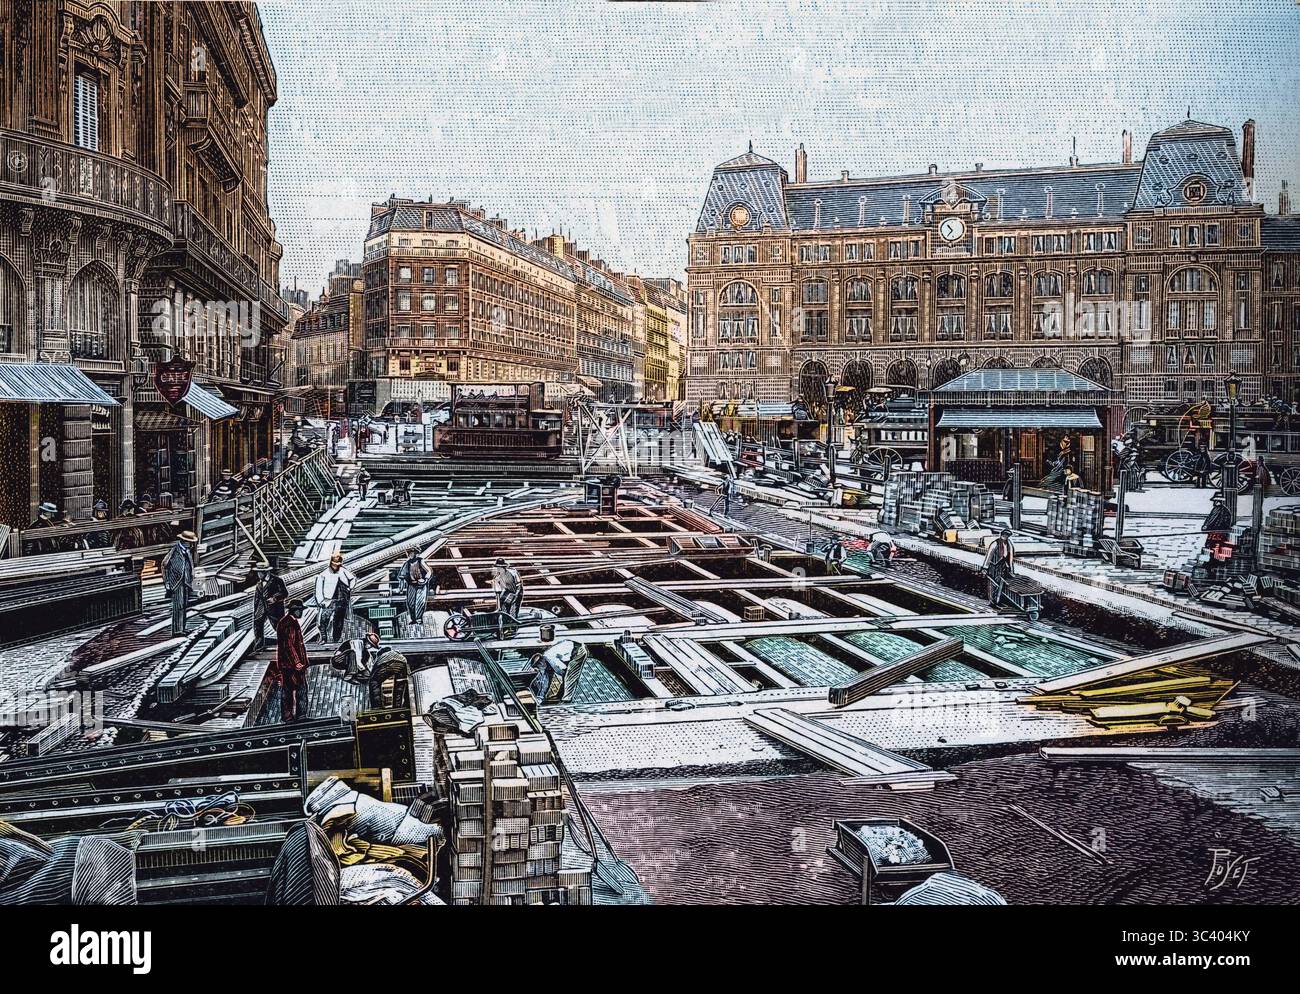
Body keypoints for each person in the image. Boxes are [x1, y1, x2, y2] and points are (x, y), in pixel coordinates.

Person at [274, 599, 311, 722]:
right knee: (300, 689)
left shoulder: (285, 622)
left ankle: (288, 717)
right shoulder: (289, 623)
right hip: (292, 665)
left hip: (287, 664)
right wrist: (297, 662)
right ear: (294, 610)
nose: (301, 613)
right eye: (300, 610)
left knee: (288, 690)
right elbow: (289, 645)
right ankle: (300, 716)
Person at [162, 530, 200, 635]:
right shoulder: (174, 550)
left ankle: (182, 628)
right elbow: (164, 565)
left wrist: (191, 577)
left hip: (185, 582)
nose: (192, 544)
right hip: (176, 582)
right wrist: (167, 582)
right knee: (178, 606)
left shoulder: (187, 551)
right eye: (190, 542)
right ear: (184, 541)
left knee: (183, 606)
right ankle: (177, 630)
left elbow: (191, 566)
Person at [314, 551, 355, 643]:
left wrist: (349, 588)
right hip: (329, 601)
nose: (337, 566)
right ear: (331, 563)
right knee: (323, 621)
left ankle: (336, 639)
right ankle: (324, 638)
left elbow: (352, 579)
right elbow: (318, 590)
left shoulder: (343, 571)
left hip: (342, 601)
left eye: (338, 564)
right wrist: (321, 602)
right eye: (335, 564)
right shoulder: (323, 575)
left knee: (339, 621)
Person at [249, 559, 289, 651]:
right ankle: (259, 646)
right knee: (257, 625)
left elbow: (284, 593)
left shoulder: (277, 580)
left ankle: (286, 645)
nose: (258, 575)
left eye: (259, 572)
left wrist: (275, 599)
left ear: (265, 572)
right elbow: (257, 599)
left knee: (279, 626)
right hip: (261, 608)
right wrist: (256, 612)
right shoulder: (259, 584)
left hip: (274, 609)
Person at [397, 549, 433, 635]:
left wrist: (425, 580)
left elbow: (429, 571)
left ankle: (419, 620)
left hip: (421, 585)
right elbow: (401, 576)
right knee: (411, 603)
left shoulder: (420, 561)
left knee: (420, 602)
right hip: (411, 585)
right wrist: (401, 588)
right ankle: (413, 619)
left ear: (415, 553)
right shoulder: (407, 563)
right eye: (409, 553)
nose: (409, 554)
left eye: (411, 553)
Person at [982, 528, 1016, 608]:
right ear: (1002, 535)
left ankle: (998, 600)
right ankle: (992, 601)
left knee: (1001, 584)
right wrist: (985, 567)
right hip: (994, 566)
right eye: (1005, 535)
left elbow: (1010, 557)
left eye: (1007, 536)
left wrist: (1011, 569)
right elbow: (989, 555)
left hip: (1003, 565)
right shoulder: (995, 543)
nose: (1006, 537)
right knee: (992, 583)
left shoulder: (1009, 544)